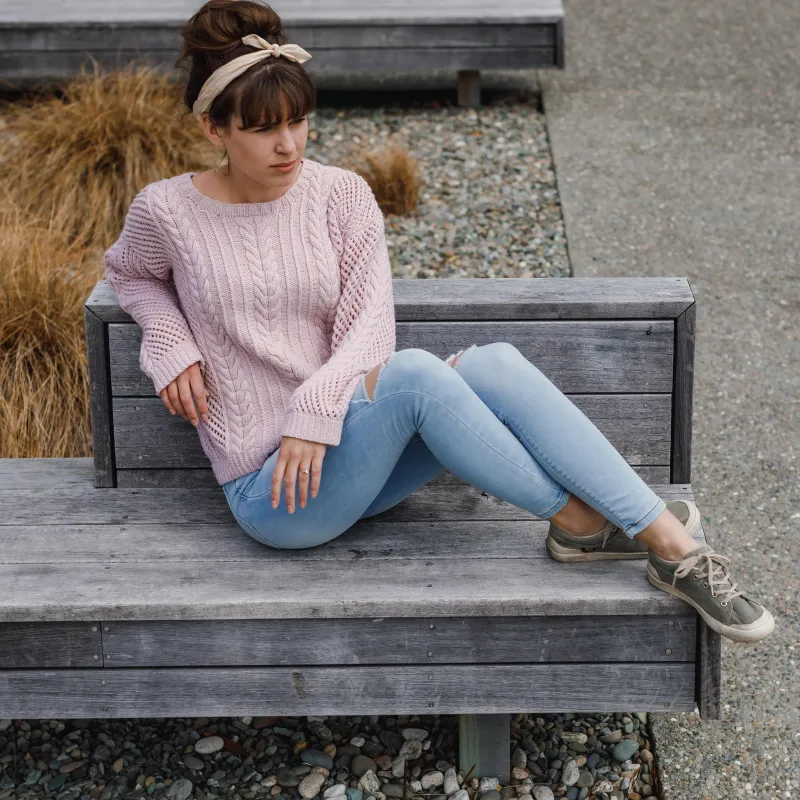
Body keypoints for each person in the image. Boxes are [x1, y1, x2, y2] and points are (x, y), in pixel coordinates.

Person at [103, 0, 774, 644]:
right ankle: (601, 526)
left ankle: (663, 545)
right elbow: (130, 274)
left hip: (346, 446)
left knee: (494, 364)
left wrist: (314, 406)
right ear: (213, 129)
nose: (289, 147)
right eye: (262, 130)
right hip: (271, 493)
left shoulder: (339, 195)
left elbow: (371, 330)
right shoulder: (168, 213)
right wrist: (169, 340)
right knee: (420, 377)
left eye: (300, 120)